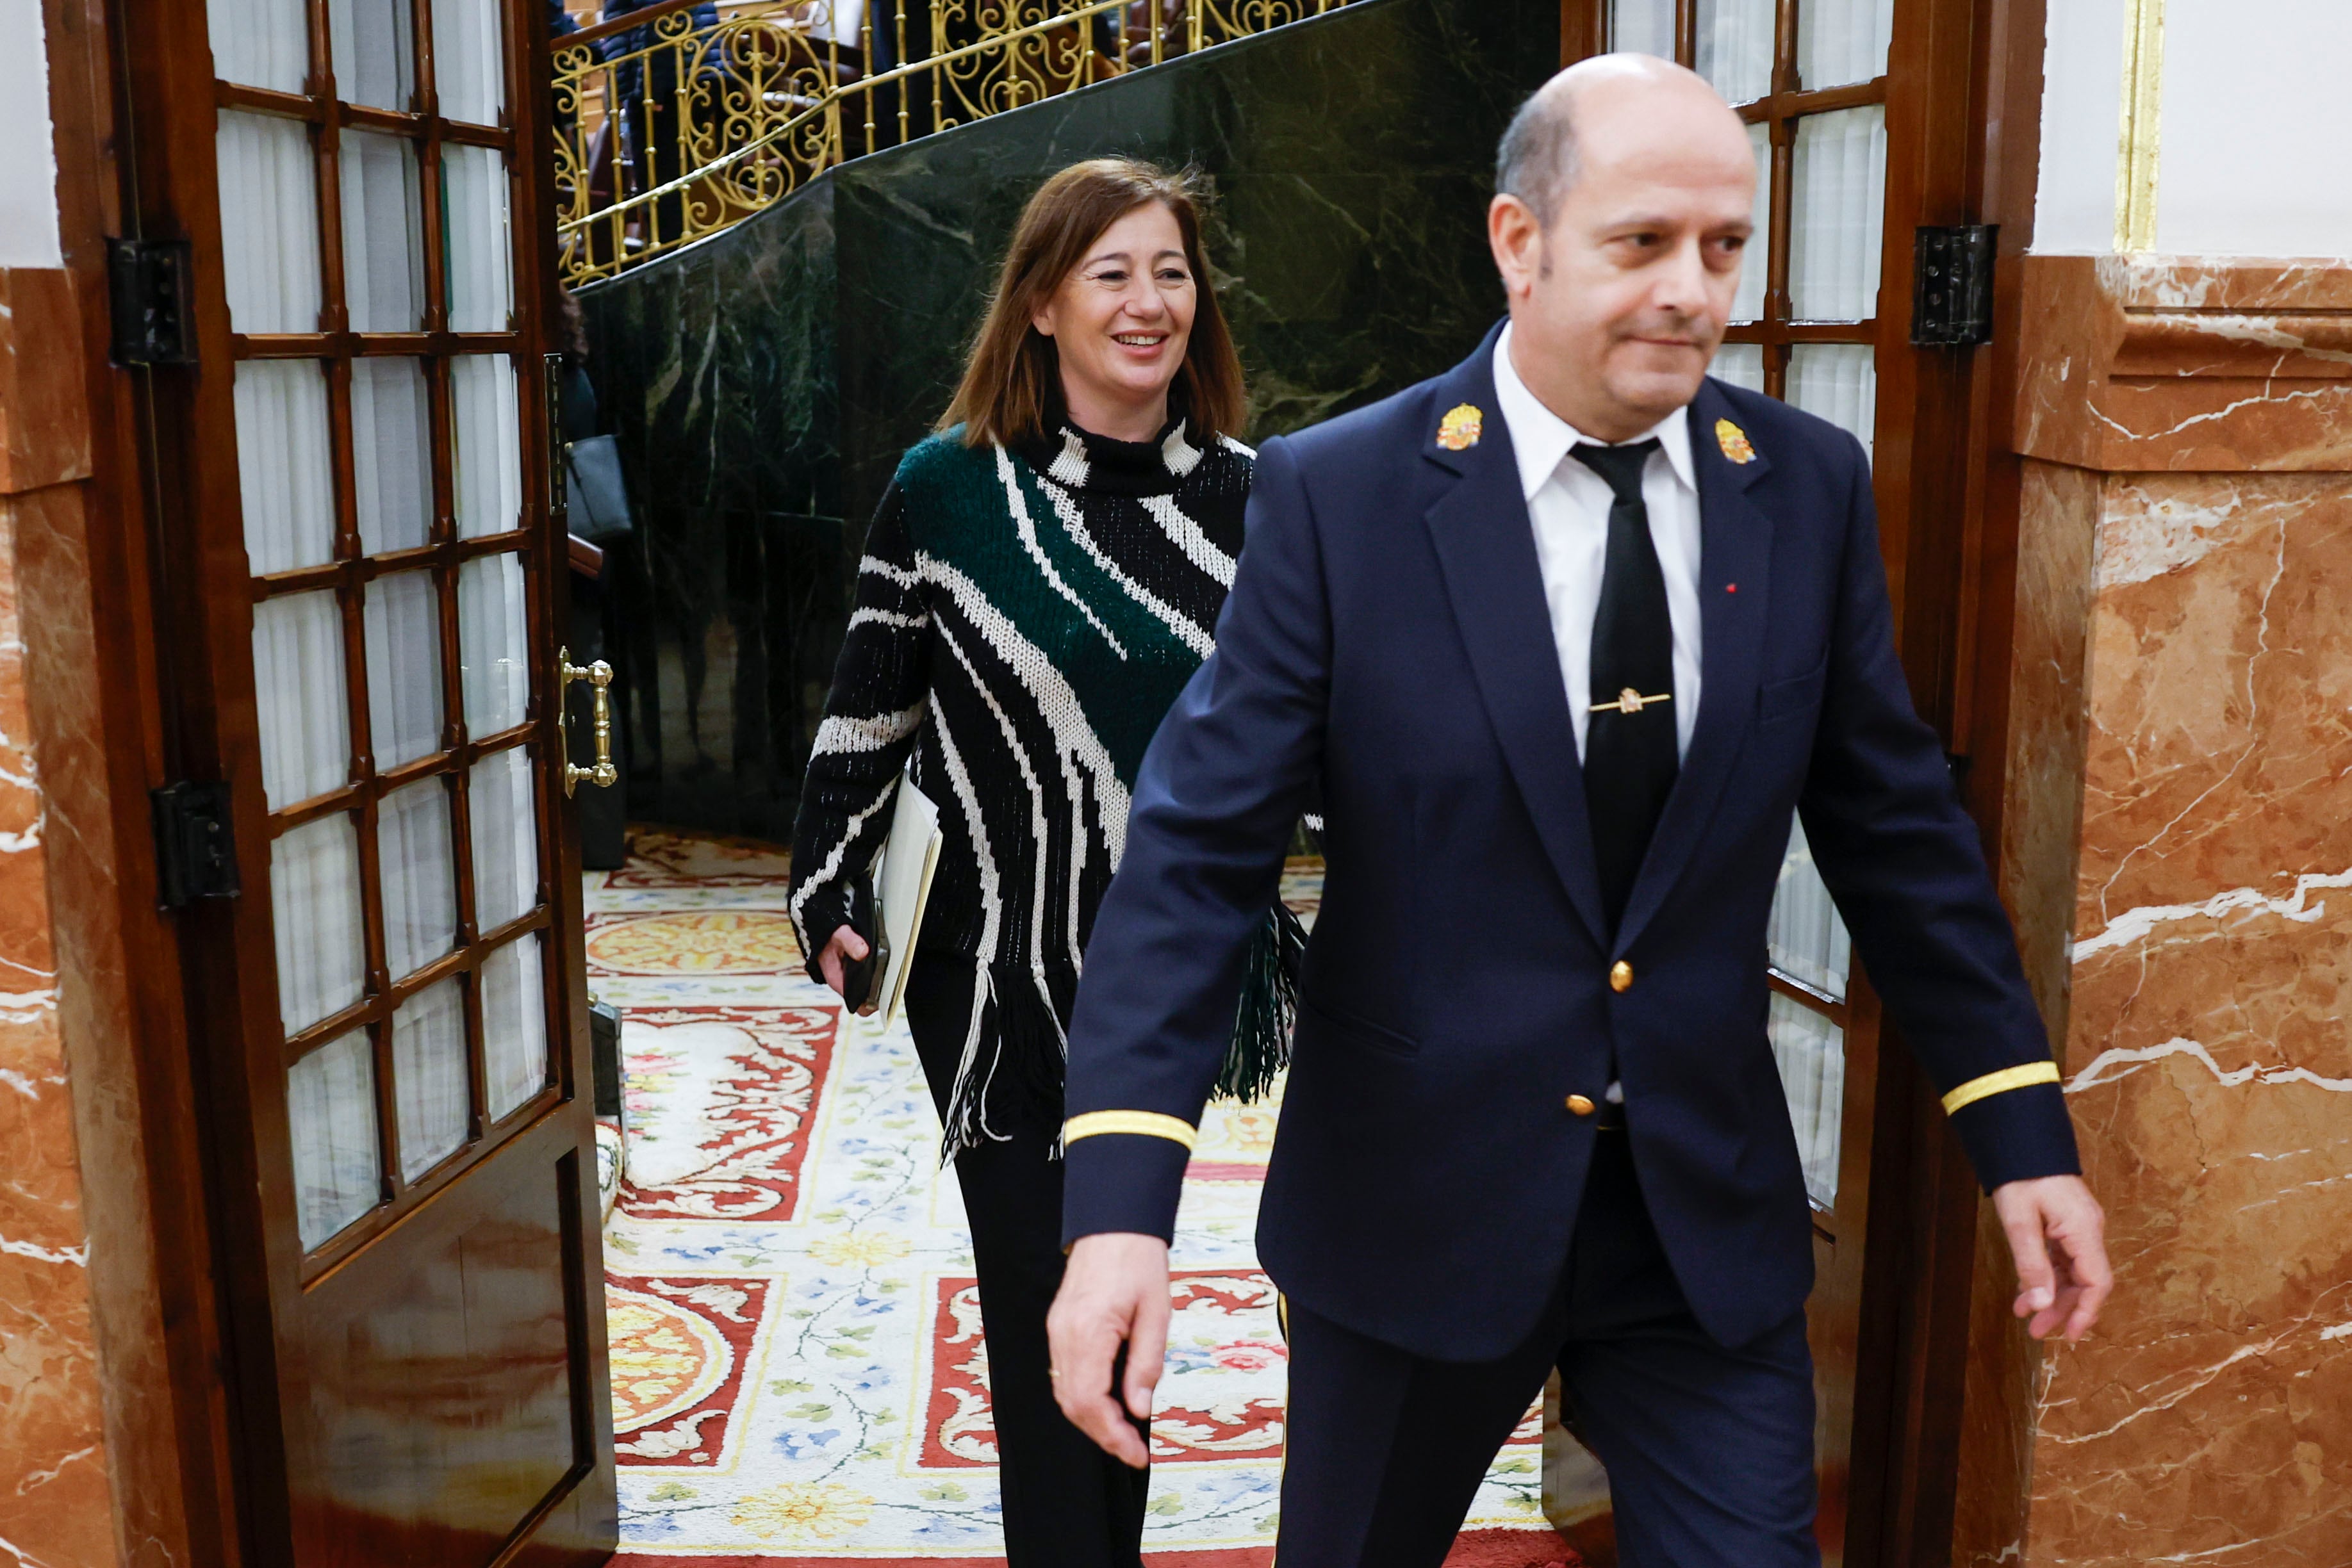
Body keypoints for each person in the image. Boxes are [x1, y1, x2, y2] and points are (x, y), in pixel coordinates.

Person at [1044, 56, 2114, 1567]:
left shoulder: (1800, 488)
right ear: (1518, 241)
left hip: (1694, 1221)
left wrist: (2019, 1134)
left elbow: (1896, 835)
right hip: (1416, 1213)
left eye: (1725, 247)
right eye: (1643, 243)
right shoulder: (1343, 498)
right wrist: (1117, 1213)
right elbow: (1196, 860)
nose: (1695, 290)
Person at [787, 158, 1296, 1565]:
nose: (1149, 303)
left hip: (1173, 975)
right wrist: (826, 880)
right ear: (1041, 309)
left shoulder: (1267, 501)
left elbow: (1307, 734)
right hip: (991, 974)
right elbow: (869, 705)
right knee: (1045, 1297)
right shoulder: (947, 492)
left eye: (1172, 272)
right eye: (1111, 274)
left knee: (1120, 1275)